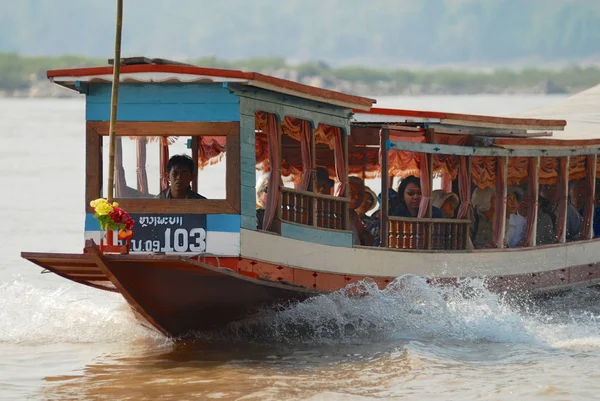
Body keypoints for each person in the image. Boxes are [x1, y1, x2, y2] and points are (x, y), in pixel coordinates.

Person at [348, 177, 375, 246]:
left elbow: (370, 241)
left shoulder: (353, 216)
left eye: (360, 194)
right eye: (352, 192)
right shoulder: (334, 213)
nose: (357, 197)